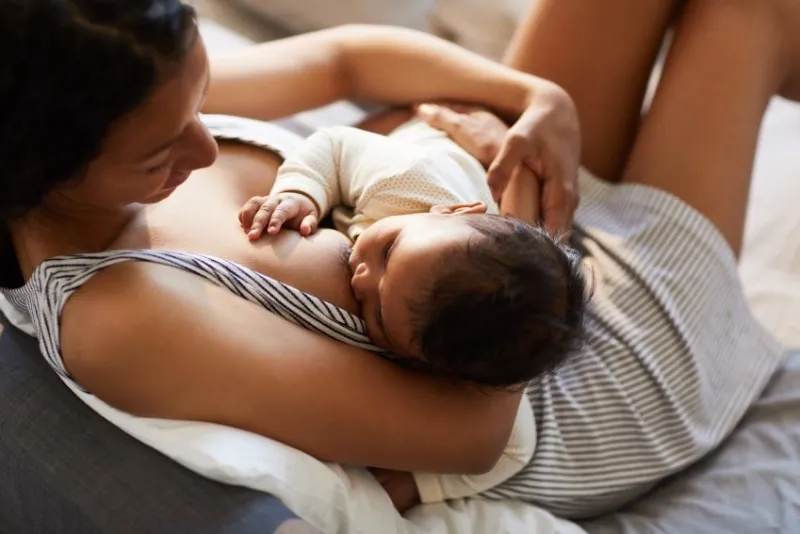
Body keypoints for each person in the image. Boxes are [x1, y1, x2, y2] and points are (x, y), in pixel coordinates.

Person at [0, 0, 795, 521]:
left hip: (499, 222)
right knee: (746, 12)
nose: (206, 146)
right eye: (161, 155)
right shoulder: (120, 315)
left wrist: (535, 100)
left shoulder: (132, 85)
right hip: (584, 374)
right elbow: (473, 436)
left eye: (200, 94)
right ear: (41, 169)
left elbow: (345, 61)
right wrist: (510, 228)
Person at [238, 123, 587, 388]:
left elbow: (514, 439)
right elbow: (335, 147)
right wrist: (302, 193)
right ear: (452, 210)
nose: (361, 278)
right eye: (388, 251)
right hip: (427, 135)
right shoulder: (406, 180)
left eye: (378, 314)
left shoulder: (445, 336)